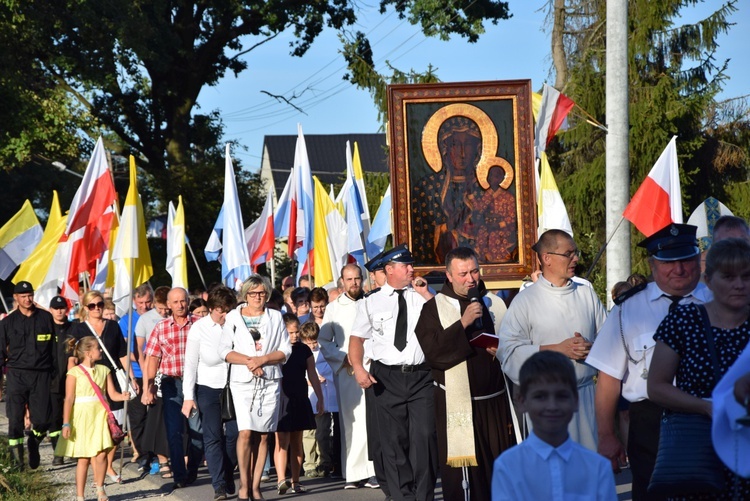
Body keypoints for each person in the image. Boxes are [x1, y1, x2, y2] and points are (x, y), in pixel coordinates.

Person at [587, 223, 711, 500]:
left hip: (706, 418)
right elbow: (608, 377)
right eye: (669, 262)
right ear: (653, 264)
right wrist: (607, 436)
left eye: (686, 260)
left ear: (698, 259)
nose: (678, 270)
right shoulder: (629, 309)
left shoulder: (717, 303)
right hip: (651, 424)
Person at [647, 238, 750, 498]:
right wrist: (706, 407)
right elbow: (657, 387)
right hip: (698, 452)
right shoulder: (684, 321)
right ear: (709, 280)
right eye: (728, 276)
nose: (739, 284)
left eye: (747, 276)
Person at [415, 246, 513, 500]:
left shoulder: (494, 303)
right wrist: (463, 324)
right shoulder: (433, 309)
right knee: (467, 480)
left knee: (500, 471)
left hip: (495, 404)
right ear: (449, 275)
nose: (470, 279)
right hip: (457, 406)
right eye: (463, 274)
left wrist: (499, 350)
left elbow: (513, 343)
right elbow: (433, 354)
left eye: (474, 271)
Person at [498, 229, 606, 451]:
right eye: (569, 254)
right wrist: (558, 350)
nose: (575, 259)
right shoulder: (526, 301)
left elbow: (610, 341)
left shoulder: (586, 294)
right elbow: (508, 352)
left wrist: (591, 348)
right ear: (547, 258)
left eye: (575, 253)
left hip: (584, 399)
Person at [349, 244, 438, 501]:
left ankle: (424, 496)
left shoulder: (422, 296)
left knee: (424, 438)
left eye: (411, 265)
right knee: (393, 442)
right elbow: (356, 339)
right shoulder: (370, 302)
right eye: (405, 265)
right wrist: (358, 368)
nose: (412, 270)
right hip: (386, 378)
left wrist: (427, 294)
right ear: (389, 270)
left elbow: (446, 322)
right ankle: (402, 497)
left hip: (421, 376)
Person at [491, 351, 617, 501]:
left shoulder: (597, 467)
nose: (552, 406)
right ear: (521, 401)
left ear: (576, 400)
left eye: (561, 396)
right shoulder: (508, 466)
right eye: (540, 397)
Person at [219, 275, 291, 501]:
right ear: (245, 295)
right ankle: (244, 484)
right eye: (253, 293)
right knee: (245, 432)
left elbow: (285, 351)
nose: (257, 297)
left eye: (261, 293)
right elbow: (224, 351)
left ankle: (256, 486)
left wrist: (264, 360)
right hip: (242, 381)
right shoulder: (233, 317)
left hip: (269, 380)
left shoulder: (276, 317)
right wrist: (251, 361)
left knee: (263, 435)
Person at [318, 263, 379, 489]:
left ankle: (374, 471)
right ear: (342, 282)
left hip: (371, 366)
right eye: (349, 279)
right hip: (347, 370)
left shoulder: (372, 301)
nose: (354, 283)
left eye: (357, 279)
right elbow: (324, 340)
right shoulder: (334, 307)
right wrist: (341, 357)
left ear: (362, 279)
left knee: (371, 419)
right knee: (350, 421)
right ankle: (353, 473)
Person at [70, 290, 137, 484]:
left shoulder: (113, 326)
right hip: (91, 384)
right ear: (85, 308)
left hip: (113, 379)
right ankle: (100, 467)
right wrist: (74, 382)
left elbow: (122, 354)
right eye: (92, 305)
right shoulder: (78, 329)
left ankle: (107, 465)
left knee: (114, 427)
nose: (97, 308)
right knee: (98, 427)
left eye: (100, 304)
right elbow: (72, 359)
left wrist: (130, 377)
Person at [142, 287, 203, 489]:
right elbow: (152, 358)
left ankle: (192, 468)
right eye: (175, 302)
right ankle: (179, 473)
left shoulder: (199, 324)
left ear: (188, 301)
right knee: (174, 431)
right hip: (171, 384)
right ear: (168, 305)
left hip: (195, 383)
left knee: (197, 430)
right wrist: (147, 387)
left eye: (183, 301)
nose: (180, 305)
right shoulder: (161, 327)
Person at [181, 286, 239, 500]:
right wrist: (189, 396)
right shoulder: (199, 328)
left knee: (234, 434)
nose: (224, 315)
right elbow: (190, 364)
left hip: (234, 387)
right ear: (212, 309)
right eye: (220, 311)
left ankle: (227, 470)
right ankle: (219, 485)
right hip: (208, 388)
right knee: (213, 437)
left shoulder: (235, 324)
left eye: (228, 310)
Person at [57, 335, 130, 501]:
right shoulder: (74, 373)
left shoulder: (104, 370)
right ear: (89, 353)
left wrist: (123, 396)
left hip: (100, 415)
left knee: (102, 454)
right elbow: (68, 398)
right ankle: (80, 496)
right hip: (82, 416)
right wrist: (66, 422)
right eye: (98, 348)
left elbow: (112, 394)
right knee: (83, 458)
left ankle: (100, 489)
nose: (101, 350)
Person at [0, 281, 56, 470]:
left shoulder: (46, 319)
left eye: (30, 295)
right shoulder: (7, 323)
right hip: (16, 375)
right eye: (23, 296)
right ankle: (17, 461)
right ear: (15, 298)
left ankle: (34, 442)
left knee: (43, 420)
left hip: (41, 375)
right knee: (15, 419)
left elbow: (54, 351)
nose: (27, 299)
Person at [274, 318, 324, 495]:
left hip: (300, 397)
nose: (294, 336)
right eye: (290, 333)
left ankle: (296, 481)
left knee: (297, 441)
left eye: (296, 332)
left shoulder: (304, 350)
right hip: (281, 398)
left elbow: (312, 374)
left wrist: (320, 398)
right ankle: (281, 480)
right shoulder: (277, 351)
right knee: (282, 441)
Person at [134, 285, 171, 475]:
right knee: (154, 417)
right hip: (152, 372)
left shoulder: (175, 317)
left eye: (167, 308)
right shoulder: (145, 320)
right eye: (161, 308)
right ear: (155, 303)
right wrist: (145, 373)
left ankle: (174, 456)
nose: (165, 312)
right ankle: (157, 457)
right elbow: (140, 349)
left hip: (172, 372)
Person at [118, 283, 152, 471]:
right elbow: (124, 351)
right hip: (137, 374)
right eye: (140, 303)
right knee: (138, 418)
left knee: (154, 417)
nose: (144, 307)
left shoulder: (157, 317)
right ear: (134, 301)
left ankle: (156, 452)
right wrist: (143, 358)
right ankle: (143, 454)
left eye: (148, 302)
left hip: (155, 373)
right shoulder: (126, 321)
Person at [300, 319, 339, 481]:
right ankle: (309, 464)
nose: (312, 346)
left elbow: (331, 368)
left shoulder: (324, 352)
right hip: (308, 399)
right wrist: (309, 380)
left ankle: (324, 462)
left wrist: (325, 376)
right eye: (308, 343)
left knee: (323, 433)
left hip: (323, 399)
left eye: (314, 342)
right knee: (308, 434)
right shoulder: (301, 353)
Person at [49, 295, 73, 466]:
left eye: (62, 308)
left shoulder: (74, 328)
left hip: (72, 377)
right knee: (55, 417)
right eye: (56, 308)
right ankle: (58, 452)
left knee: (73, 414)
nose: (59, 311)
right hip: (52, 378)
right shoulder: (46, 327)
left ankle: (73, 449)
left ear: (67, 309)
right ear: (51, 310)